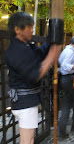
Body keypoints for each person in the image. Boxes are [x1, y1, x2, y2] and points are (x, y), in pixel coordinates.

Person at [5, 12, 60, 144]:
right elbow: (35, 75)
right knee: (27, 140)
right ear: (17, 29)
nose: (32, 29)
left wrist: (54, 36)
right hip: (25, 103)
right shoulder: (15, 50)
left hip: (27, 101)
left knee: (28, 139)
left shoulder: (26, 46)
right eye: (28, 26)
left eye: (32, 26)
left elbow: (41, 53)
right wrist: (52, 55)